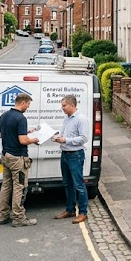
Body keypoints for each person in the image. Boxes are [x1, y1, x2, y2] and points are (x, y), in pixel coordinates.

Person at [0, 93, 40, 227]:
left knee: (6, 186)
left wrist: (25, 131)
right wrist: (34, 140)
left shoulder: (4, 116)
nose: (28, 107)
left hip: (6, 156)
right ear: (23, 103)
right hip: (17, 158)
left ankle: (2, 215)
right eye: (28, 104)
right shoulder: (21, 118)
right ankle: (18, 218)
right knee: (19, 187)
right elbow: (22, 140)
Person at [52, 95, 90, 224]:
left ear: (72, 105)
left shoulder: (81, 119)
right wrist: (57, 137)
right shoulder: (67, 119)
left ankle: (83, 213)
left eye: (64, 106)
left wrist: (65, 140)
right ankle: (70, 210)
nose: (62, 108)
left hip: (75, 155)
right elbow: (65, 135)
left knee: (79, 184)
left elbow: (84, 138)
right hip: (65, 154)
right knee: (67, 184)